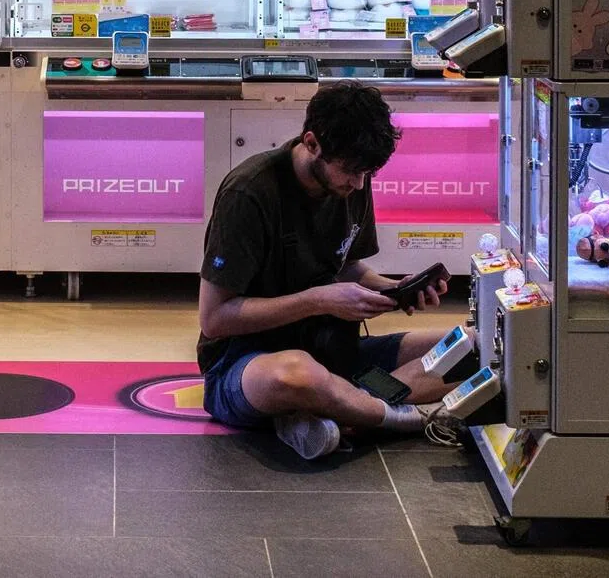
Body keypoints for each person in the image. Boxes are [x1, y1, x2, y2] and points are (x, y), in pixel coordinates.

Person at [197, 80, 467, 460]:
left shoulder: (355, 179)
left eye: (367, 173)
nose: (358, 184)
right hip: (247, 363)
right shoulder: (249, 193)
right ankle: (400, 416)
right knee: (297, 375)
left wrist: (392, 290)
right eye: (351, 171)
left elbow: (348, 266)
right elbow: (214, 320)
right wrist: (318, 301)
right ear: (311, 144)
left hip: (334, 350)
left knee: (470, 343)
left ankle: (329, 412)